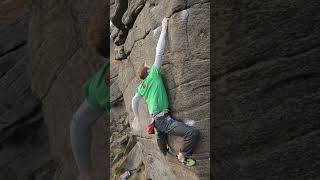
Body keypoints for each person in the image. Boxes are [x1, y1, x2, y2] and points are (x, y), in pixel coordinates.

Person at [131, 18, 200, 167]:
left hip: (155, 119)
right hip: (162, 120)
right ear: (148, 71)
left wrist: (136, 116)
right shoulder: (154, 74)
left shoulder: (142, 85)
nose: (150, 65)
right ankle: (183, 155)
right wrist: (163, 29)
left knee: (161, 134)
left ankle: (163, 150)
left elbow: (134, 101)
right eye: (148, 66)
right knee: (192, 133)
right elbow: (159, 52)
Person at [70, 59, 109, 180]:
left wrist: (85, 173)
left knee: (78, 123)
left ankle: (86, 175)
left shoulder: (100, 87)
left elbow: (78, 124)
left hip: (102, 90)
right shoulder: (100, 86)